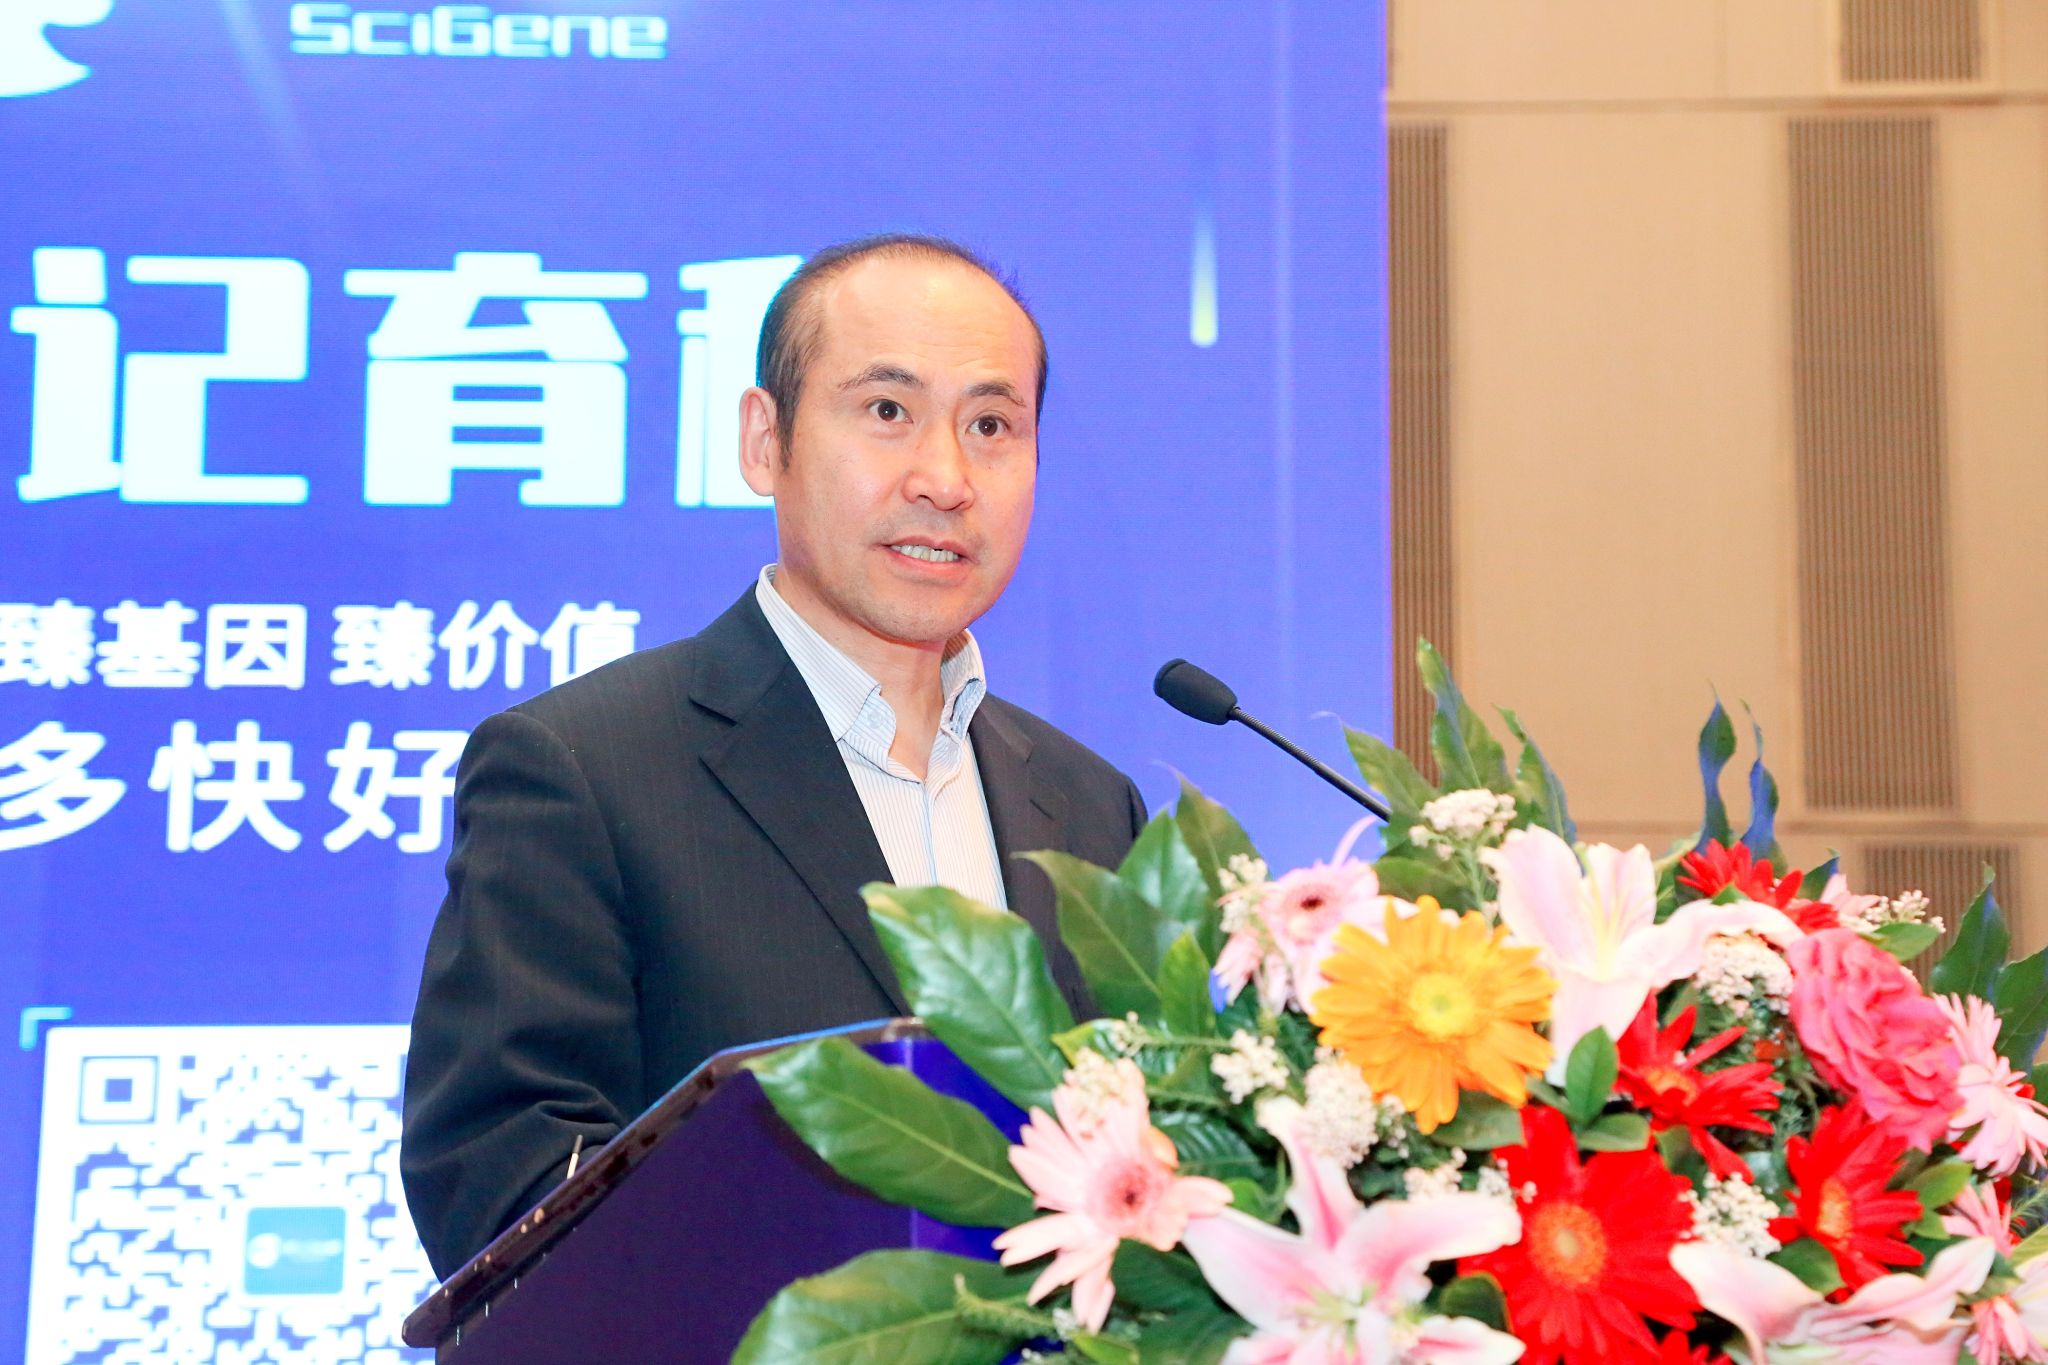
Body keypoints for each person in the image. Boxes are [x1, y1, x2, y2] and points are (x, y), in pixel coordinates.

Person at [399, 234, 1150, 1278]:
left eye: (990, 425)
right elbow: (501, 1181)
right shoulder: (582, 769)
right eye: (886, 411)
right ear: (766, 441)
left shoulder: (1092, 805)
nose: (944, 478)